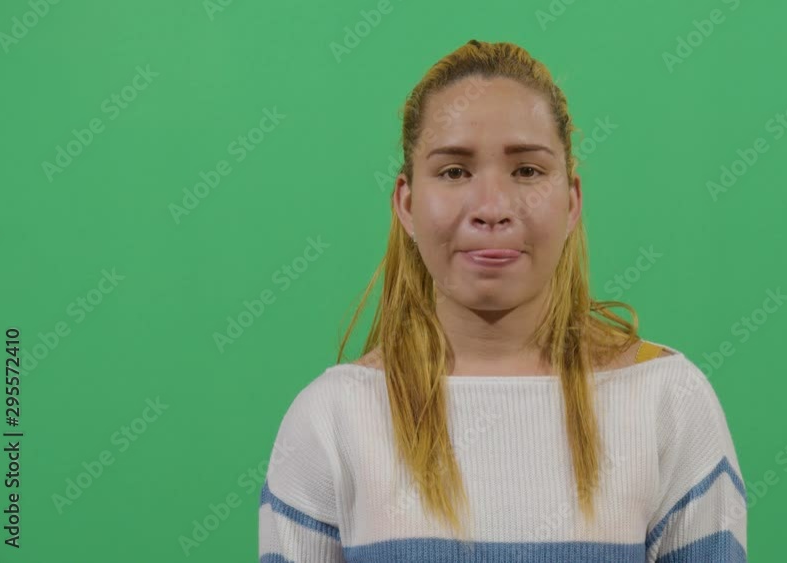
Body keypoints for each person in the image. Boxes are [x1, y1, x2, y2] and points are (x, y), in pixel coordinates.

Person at [259, 39, 747, 562]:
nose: (491, 208)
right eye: (454, 172)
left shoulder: (667, 401)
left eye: (528, 171)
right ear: (406, 203)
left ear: (571, 201)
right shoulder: (332, 418)